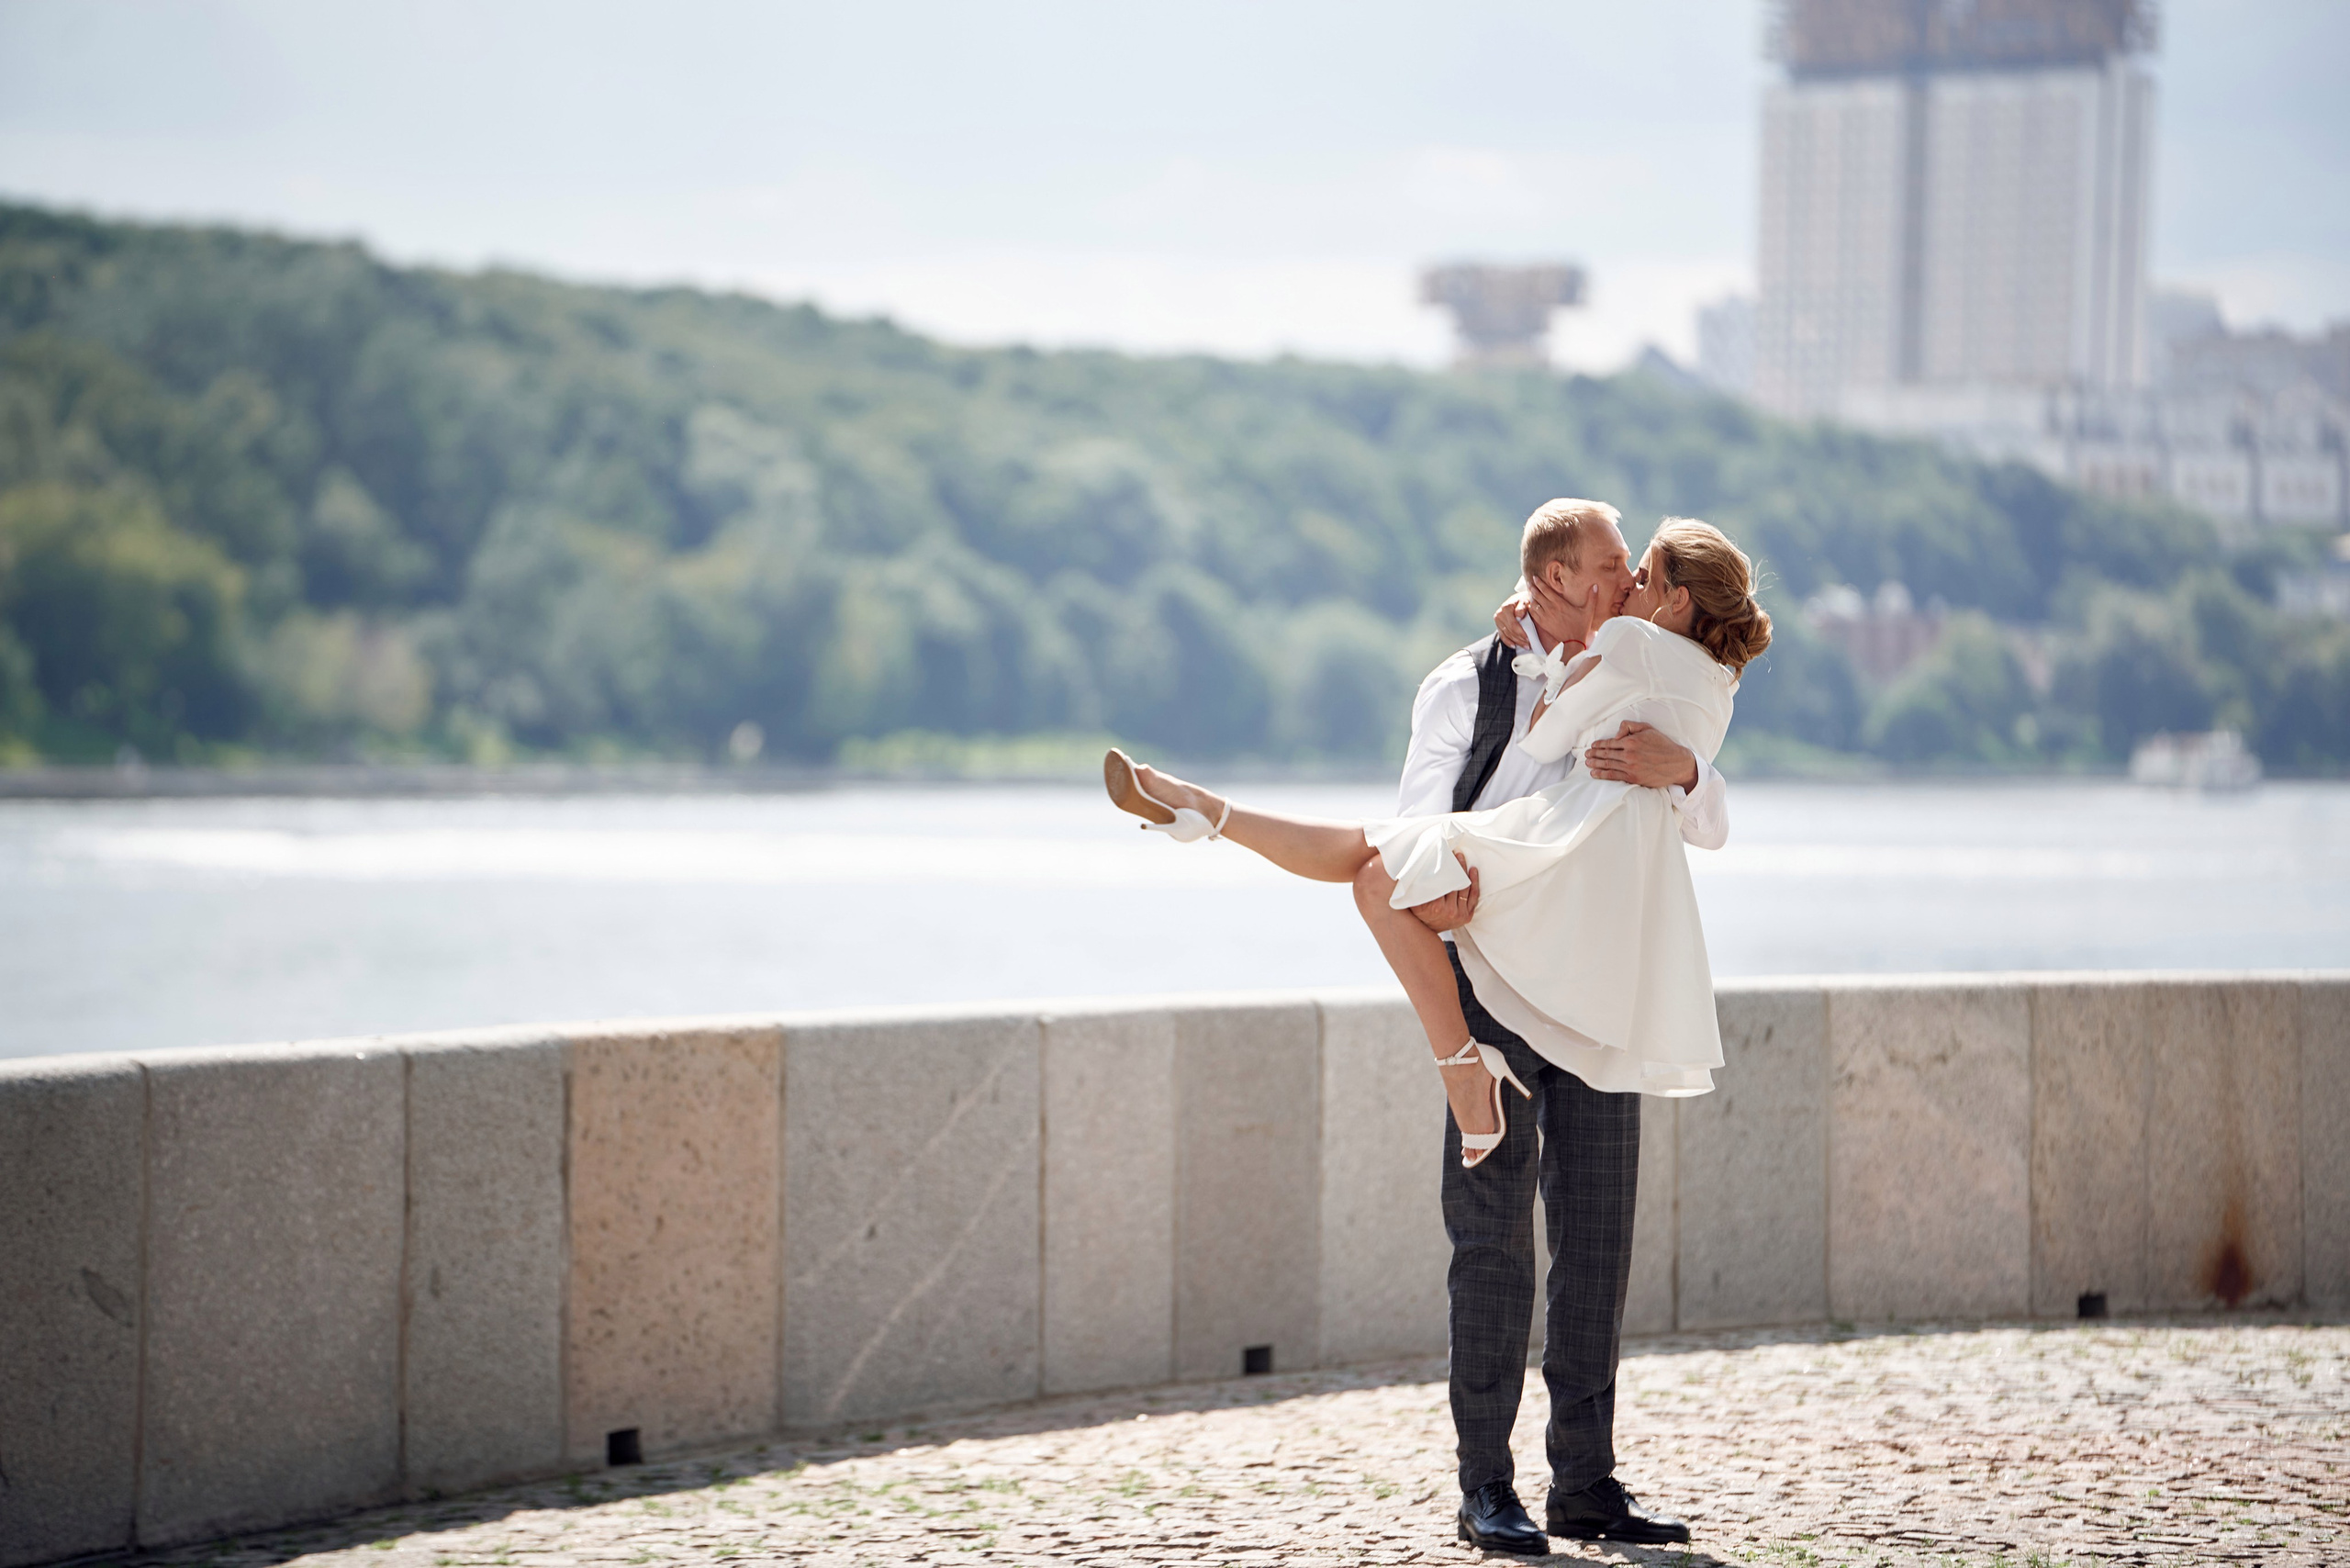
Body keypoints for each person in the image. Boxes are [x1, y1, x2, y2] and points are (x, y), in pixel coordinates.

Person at [1102, 501, 1772, 1553]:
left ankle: (1585, 1484)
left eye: (1630, 567)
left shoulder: (1640, 663)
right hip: (1490, 982)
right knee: (1492, 1248)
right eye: (1608, 567)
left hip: (1605, 986)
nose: (1621, 583)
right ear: (1550, 581)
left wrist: (1681, 769)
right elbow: (1422, 821)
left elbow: (1708, 814)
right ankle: (1485, 1488)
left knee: (1597, 1247)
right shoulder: (1464, 684)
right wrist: (1443, 887)